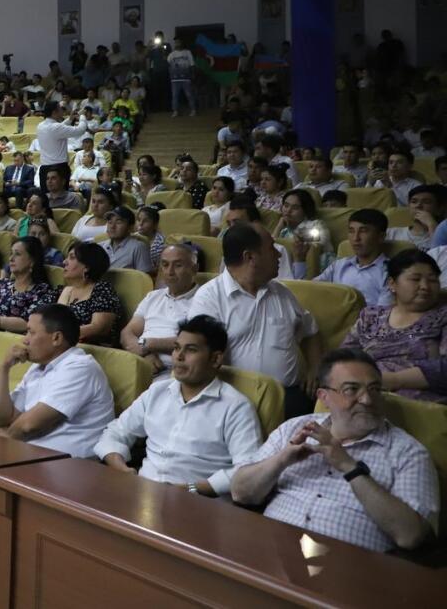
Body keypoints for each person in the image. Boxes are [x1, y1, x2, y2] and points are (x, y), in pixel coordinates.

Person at [230, 348, 437, 553]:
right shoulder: (293, 428)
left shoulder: (408, 452)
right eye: (351, 389)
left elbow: (411, 535)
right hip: (269, 552)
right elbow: (240, 492)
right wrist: (281, 460)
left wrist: (349, 467)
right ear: (324, 396)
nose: (367, 400)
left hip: (345, 565)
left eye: (374, 389)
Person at [97, 316, 263, 495]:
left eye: (191, 350)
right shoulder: (157, 392)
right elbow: (115, 432)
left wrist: (191, 488)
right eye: (176, 348)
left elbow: (248, 470)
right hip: (143, 493)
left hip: (197, 502)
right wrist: (122, 469)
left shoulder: (235, 407)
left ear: (215, 359)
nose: (179, 356)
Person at [188, 223, 321, 417]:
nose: (279, 255)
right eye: (271, 248)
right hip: (233, 402)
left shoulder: (282, 293)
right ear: (249, 257)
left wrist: (315, 368)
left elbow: (311, 331)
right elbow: (200, 358)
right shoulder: (209, 298)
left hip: (288, 398)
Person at [0, 303, 115, 457]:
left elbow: (29, 426)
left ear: (56, 338)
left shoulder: (80, 368)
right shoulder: (38, 367)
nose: (25, 340)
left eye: (31, 332)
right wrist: (4, 368)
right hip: (32, 456)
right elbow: (1, 419)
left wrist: (3, 441)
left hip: (68, 464)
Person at [341, 250, 446, 403]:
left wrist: (392, 380)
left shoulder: (443, 317)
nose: (425, 286)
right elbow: (343, 358)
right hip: (363, 396)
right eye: (415, 279)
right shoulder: (371, 316)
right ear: (392, 284)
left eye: (432, 280)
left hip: (421, 404)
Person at [120, 244, 200, 378]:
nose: (170, 272)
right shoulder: (153, 296)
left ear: (194, 269)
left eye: (178, 265)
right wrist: (145, 353)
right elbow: (127, 333)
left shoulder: (204, 300)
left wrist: (148, 344)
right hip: (139, 361)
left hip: (174, 370)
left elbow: (194, 342)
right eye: (165, 265)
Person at [0, 237, 60, 338]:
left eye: (17, 254)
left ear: (32, 261)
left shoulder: (42, 291)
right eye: (11, 253)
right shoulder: (2, 284)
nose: (11, 258)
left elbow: (28, 322)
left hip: (9, 341)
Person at [299, 209, 393, 306]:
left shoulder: (390, 272)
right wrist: (300, 259)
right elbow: (309, 290)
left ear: (381, 236)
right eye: (351, 231)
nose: (356, 238)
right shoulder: (339, 265)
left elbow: (382, 312)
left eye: (363, 231)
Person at [34, 101, 87, 185]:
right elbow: (81, 130)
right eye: (60, 108)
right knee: (61, 193)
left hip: (44, 168)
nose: (62, 110)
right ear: (54, 112)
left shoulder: (40, 126)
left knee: (46, 193)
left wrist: (70, 119)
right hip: (59, 168)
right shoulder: (57, 127)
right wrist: (82, 116)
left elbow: (57, 129)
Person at [99, 207, 153, 273]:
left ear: (130, 227)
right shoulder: (100, 247)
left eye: (118, 222)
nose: (112, 226)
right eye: (110, 222)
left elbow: (145, 277)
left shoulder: (139, 247)